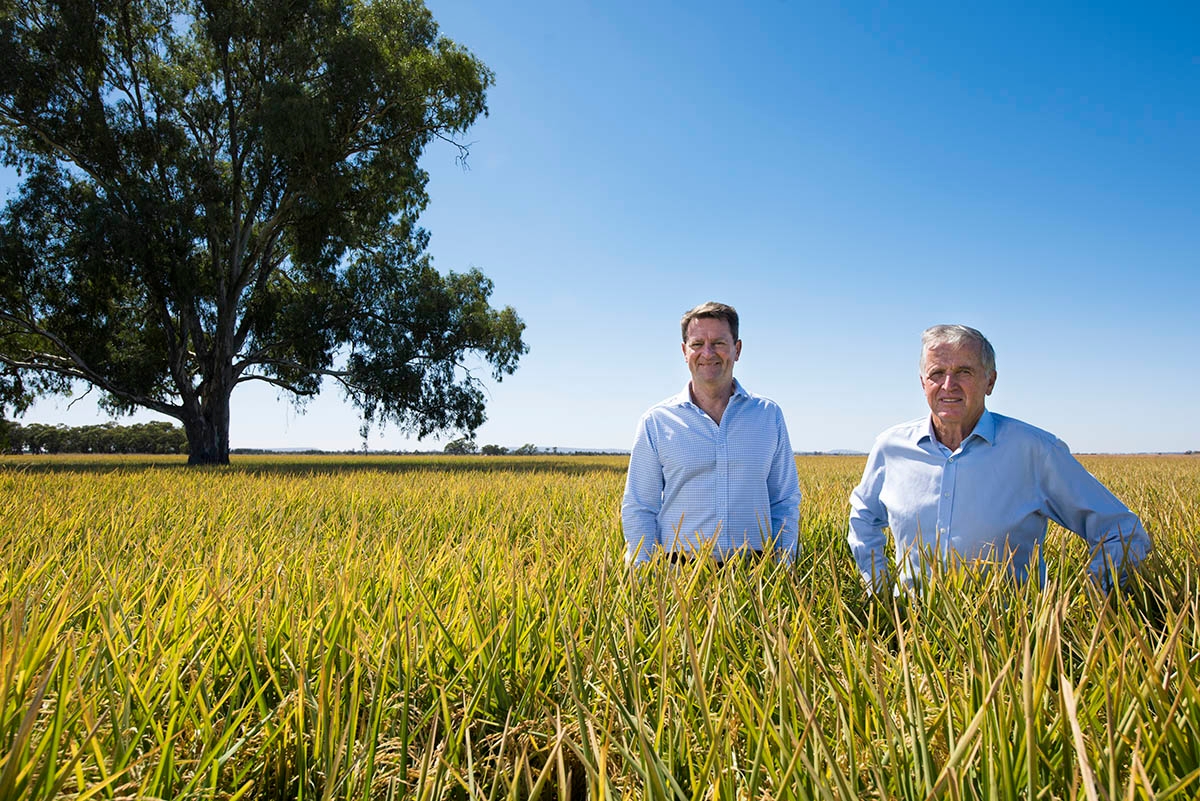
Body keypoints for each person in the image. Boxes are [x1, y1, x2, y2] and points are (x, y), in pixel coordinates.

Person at [848, 324, 1150, 593]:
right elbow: (863, 518)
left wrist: (1086, 599)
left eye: (964, 372)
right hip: (910, 640)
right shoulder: (891, 447)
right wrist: (880, 589)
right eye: (937, 373)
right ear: (923, 383)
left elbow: (1123, 531)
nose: (948, 384)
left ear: (990, 382)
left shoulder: (1036, 451)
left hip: (1011, 645)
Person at [622, 302, 801, 566]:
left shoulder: (768, 415)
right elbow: (640, 507)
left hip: (755, 575)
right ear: (684, 351)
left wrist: (783, 567)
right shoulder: (657, 421)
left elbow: (784, 500)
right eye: (697, 344)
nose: (707, 352)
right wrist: (644, 577)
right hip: (677, 575)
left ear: (737, 350)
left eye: (718, 343)